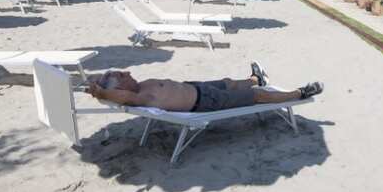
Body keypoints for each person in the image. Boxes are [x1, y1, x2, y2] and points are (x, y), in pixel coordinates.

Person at [86, 61, 322, 113]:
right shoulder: (142, 97)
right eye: (122, 74)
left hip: (196, 88)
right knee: (257, 97)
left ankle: (254, 78)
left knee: (228, 82)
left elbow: (118, 89)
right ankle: (299, 93)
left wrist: (97, 83)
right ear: (119, 88)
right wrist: (101, 93)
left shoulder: (142, 86)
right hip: (206, 103)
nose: (128, 72)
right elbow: (122, 97)